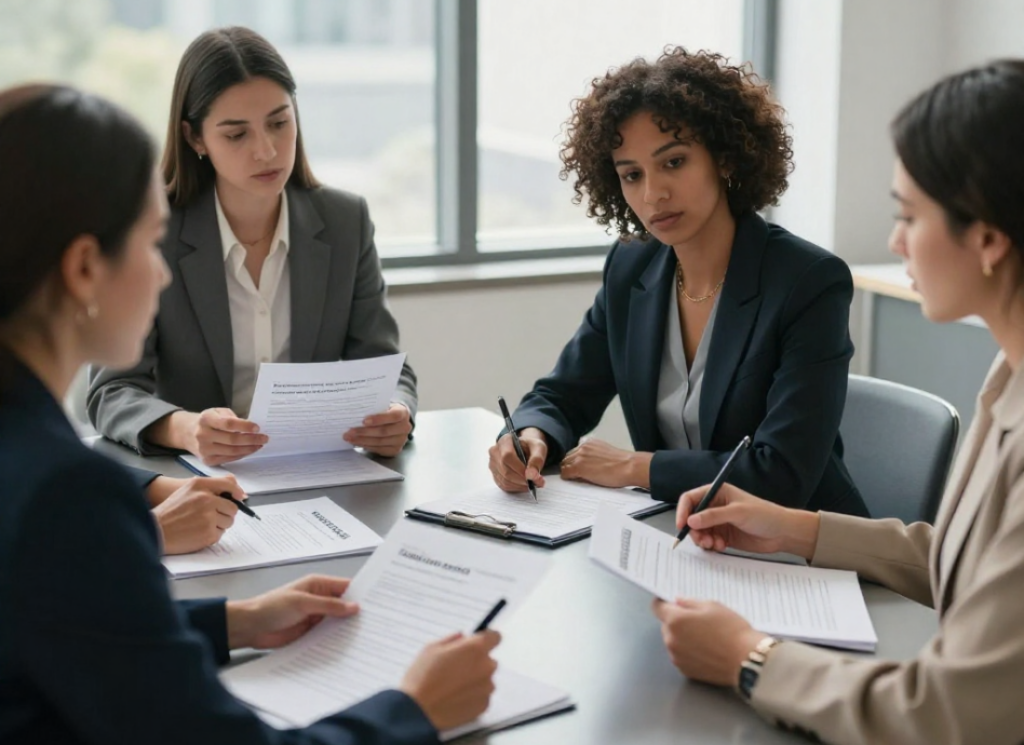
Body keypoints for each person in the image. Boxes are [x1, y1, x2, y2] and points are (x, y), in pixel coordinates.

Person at [0, 83, 498, 744]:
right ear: (86, 268)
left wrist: (238, 620)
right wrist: (415, 708)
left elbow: (63, 623)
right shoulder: (69, 497)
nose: (164, 274)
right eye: (151, 245)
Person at [652, 59, 1024, 745]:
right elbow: (971, 561)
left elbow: (949, 712)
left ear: (990, 238)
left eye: (908, 215)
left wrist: (751, 656)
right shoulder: (1010, 369)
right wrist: (795, 528)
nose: (893, 240)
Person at [489, 47, 867, 516]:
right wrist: (530, 435)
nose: (653, 194)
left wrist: (635, 468)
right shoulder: (631, 268)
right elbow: (562, 396)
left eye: (674, 162)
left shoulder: (808, 282)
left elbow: (781, 474)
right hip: (681, 534)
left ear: (724, 158)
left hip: (799, 549)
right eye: (631, 174)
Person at [87, 26, 416, 468]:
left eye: (279, 123)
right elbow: (111, 391)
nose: (266, 150)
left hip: (315, 475)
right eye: (236, 134)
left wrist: (397, 413)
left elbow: (385, 366)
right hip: (192, 483)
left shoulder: (345, 222)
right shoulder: (152, 232)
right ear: (195, 138)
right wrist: (186, 428)